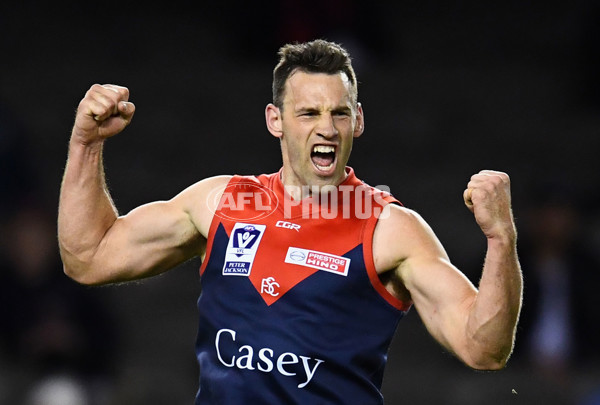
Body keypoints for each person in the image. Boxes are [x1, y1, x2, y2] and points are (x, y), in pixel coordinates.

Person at [58, 39, 522, 404]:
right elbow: (88, 257)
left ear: (357, 120)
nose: (326, 128)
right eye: (309, 113)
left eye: (339, 113)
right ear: (275, 120)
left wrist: (501, 239)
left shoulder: (389, 228)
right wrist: (86, 144)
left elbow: (484, 349)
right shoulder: (221, 202)